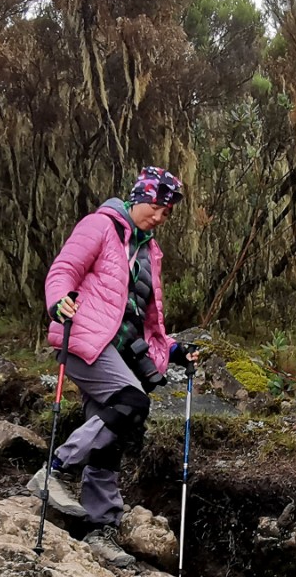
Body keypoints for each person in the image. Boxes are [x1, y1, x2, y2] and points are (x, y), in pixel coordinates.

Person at [29, 167, 198, 527]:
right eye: (155, 206)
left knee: (111, 432)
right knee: (132, 401)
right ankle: (56, 468)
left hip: (120, 350)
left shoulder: (149, 252)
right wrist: (58, 301)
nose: (159, 216)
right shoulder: (100, 226)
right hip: (85, 339)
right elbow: (63, 269)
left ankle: (98, 524)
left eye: (166, 212)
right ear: (139, 196)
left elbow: (143, 316)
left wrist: (171, 349)